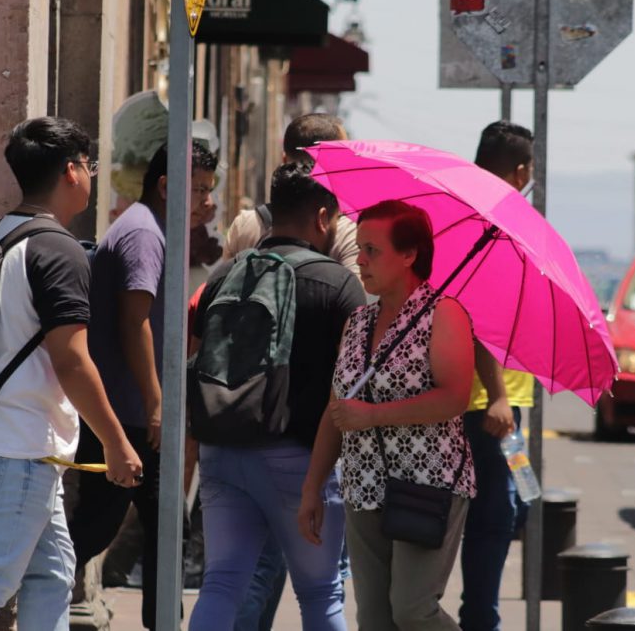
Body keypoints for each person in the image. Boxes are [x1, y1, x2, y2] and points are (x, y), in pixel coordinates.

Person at [0, 117, 143, 631]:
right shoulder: (60, 249)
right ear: (72, 171)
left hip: (4, 438)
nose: (91, 175)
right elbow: (71, 358)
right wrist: (116, 443)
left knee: (51, 574)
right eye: (89, 165)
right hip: (18, 446)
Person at [188, 163, 366, 631]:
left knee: (222, 583)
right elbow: (355, 373)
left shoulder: (225, 275)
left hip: (222, 449)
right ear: (323, 218)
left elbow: (197, 348)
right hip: (300, 461)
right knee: (321, 594)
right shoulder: (338, 283)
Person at [300, 200, 476, 631]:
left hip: (427, 484)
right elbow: (336, 409)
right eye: (359, 249)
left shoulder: (444, 313)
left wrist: (374, 415)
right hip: (364, 485)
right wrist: (311, 488)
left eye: (372, 251)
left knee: (413, 608)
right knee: (376, 619)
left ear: (410, 254)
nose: (359, 260)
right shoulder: (358, 321)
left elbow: (455, 398)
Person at [71, 141, 219, 630]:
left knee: (164, 527)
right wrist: (157, 405)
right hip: (127, 415)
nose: (208, 202)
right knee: (95, 528)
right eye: (198, 189)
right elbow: (136, 320)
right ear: (165, 186)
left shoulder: (153, 230)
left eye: (209, 190)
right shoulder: (142, 233)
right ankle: (24, 589)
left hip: (133, 412)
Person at [460, 121, 537, 631]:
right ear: (523, 170)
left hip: (503, 399)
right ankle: (480, 620)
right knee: (498, 512)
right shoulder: (494, 223)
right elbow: (477, 316)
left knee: (520, 500)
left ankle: (477, 615)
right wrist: (496, 395)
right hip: (491, 403)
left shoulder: (474, 215)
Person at [224, 113, 359, 275]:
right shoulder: (350, 235)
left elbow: (222, 287)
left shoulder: (245, 226)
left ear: (284, 160)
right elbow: (358, 297)